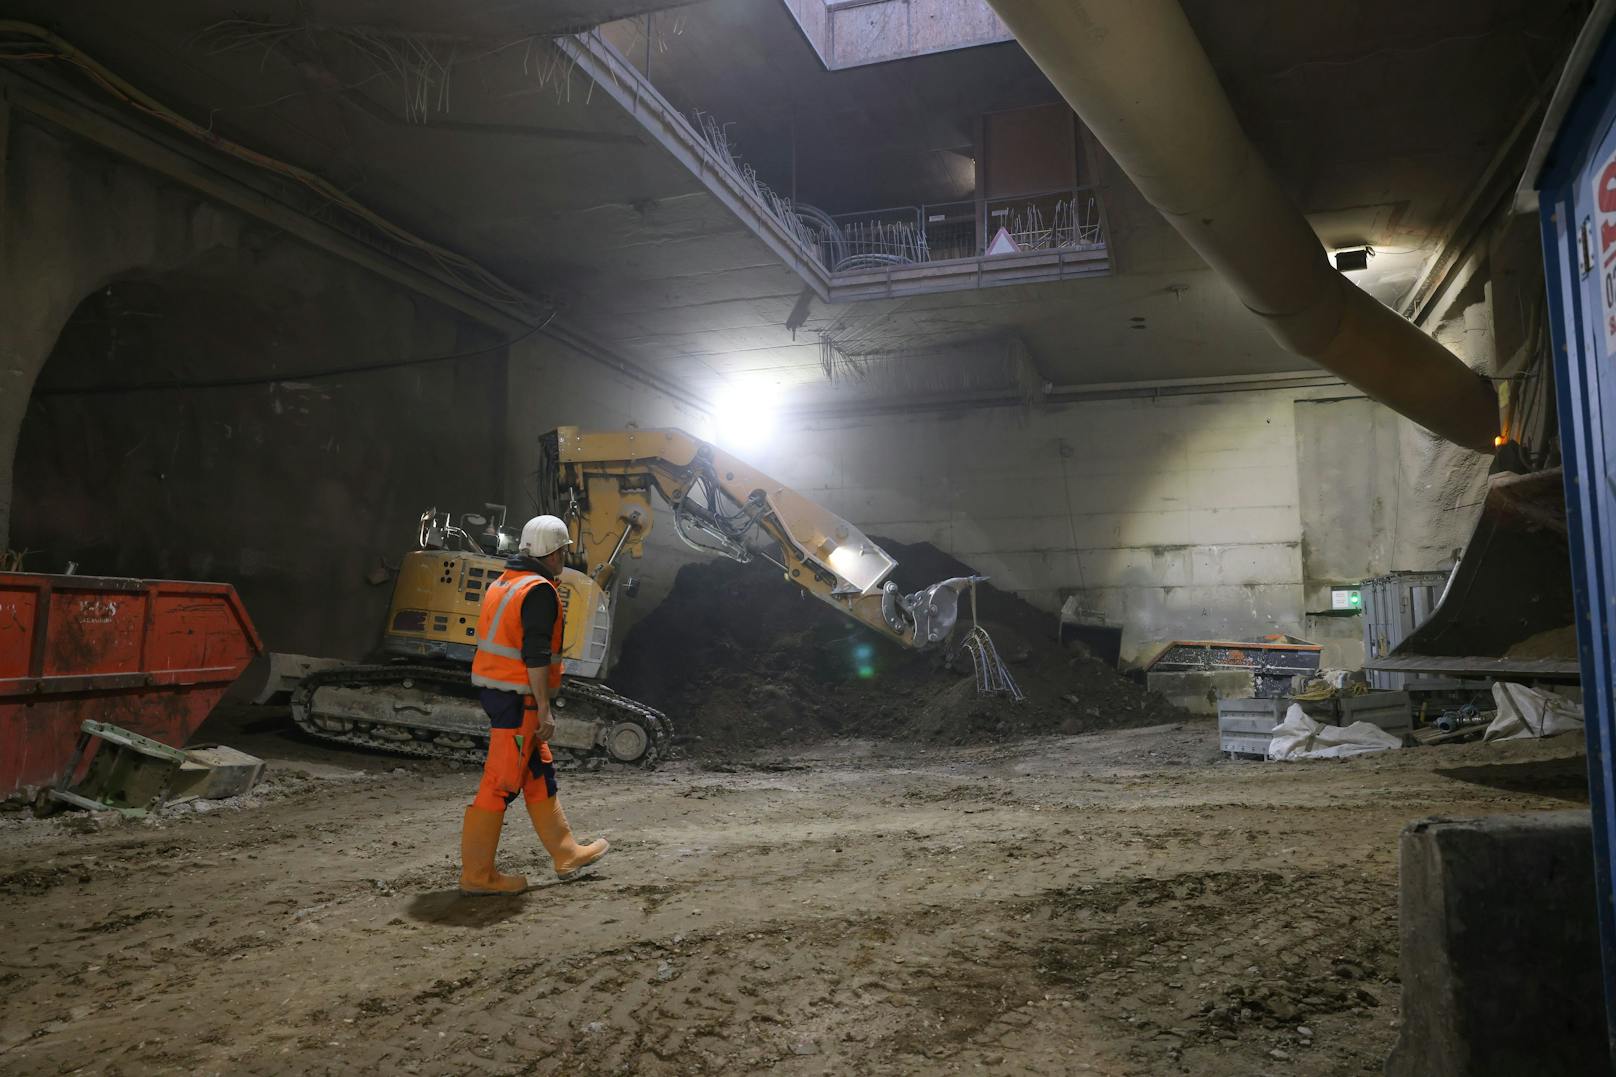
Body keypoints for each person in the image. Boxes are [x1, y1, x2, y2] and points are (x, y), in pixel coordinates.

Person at [458, 514, 610, 895]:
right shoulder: (539, 590)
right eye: (563, 552)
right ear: (556, 553)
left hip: (501, 690)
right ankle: (478, 876)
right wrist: (544, 708)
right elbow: (536, 655)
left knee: (538, 771)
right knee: (501, 783)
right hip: (518, 697)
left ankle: (567, 852)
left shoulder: (506, 582)